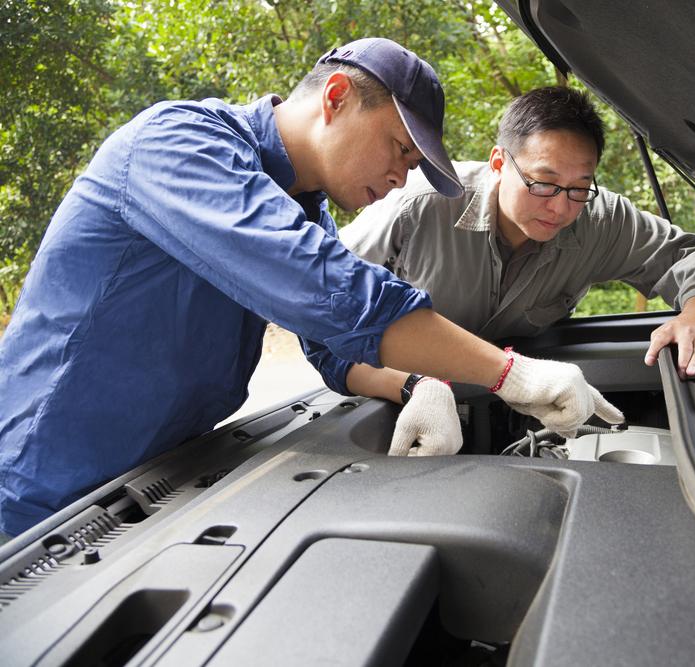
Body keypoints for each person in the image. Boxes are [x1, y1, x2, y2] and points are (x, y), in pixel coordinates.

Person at [0, 40, 622, 539]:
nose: (402, 174)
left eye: (415, 165)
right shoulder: (180, 144)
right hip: (39, 486)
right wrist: (513, 376)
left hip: (157, 486)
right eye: (400, 148)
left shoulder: (303, 210)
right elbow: (337, 296)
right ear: (335, 96)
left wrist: (417, 385)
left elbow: (332, 348)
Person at [339, 86, 695, 457]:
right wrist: (415, 386)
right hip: (396, 401)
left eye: (579, 189)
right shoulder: (418, 206)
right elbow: (327, 321)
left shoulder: (600, 221)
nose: (561, 209)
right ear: (499, 163)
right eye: (543, 183)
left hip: (508, 404)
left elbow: (693, 256)